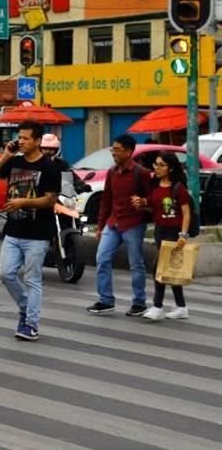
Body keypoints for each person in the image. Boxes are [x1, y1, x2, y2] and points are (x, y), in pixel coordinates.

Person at [0, 120, 61, 341]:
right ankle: (26, 306)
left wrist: (23, 203)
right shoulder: (15, 161)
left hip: (37, 233)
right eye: (20, 137)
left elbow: (50, 199)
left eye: (26, 138)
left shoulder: (49, 166)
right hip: (13, 229)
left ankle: (31, 324)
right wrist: (6, 155)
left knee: (32, 279)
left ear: (37, 140)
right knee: (5, 273)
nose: (21, 141)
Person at [86, 134, 151, 317]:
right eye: (112, 149)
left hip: (133, 224)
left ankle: (139, 302)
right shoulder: (112, 172)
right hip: (113, 223)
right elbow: (106, 200)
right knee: (102, 258)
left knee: (136, 264)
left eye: (117, 149)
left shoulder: (141, 173)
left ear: (129, 152)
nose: (113, 153)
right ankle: (106, 300)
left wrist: (143, 202)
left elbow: (152, 198)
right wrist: (100, 226)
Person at [135, 152, 192, 321]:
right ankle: (181, 307)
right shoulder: (156, 185)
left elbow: (186, 213)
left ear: (171, 168)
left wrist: (183, 235)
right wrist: (142, 203)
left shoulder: (178, 188)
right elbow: (155, 206)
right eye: (155, 164)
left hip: (174, 232)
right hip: (161, 230)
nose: (156, 168)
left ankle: (157, 306)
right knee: (170, 270)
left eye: (161, 165)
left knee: (158, 268)